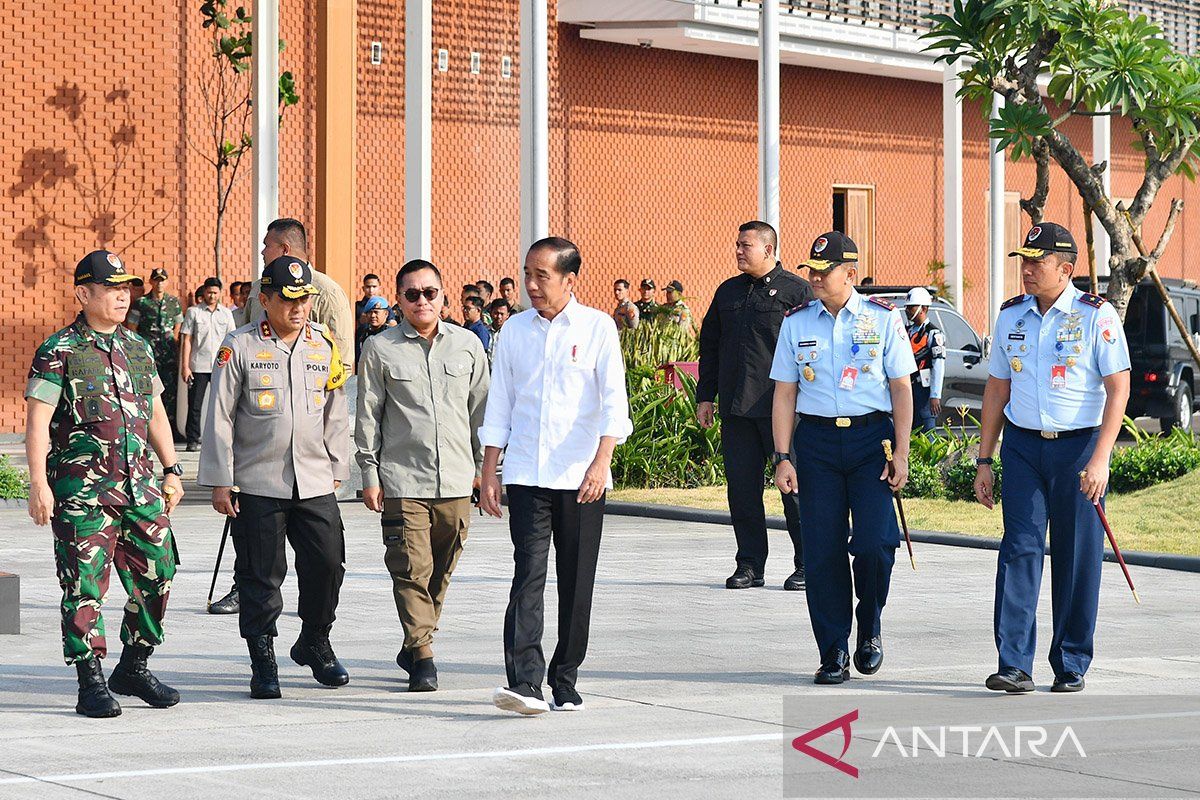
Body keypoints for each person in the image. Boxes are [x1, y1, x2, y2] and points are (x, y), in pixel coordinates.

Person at [24, 250, 184, 717]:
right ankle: (89, 681)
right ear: (83, 294)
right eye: (111, 288)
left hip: (142, 489)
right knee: (85, 586)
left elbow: (154, 411)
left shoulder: (138, 347)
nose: (122, 295)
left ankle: (134, 666)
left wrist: (171, 469)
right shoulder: (60, 350)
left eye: (125, 287)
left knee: (159, 573)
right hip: (84, 494)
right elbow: (37, 424)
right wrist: (38, 483)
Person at [974, 222, 1131, 694]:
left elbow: (1118, 386)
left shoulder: (1095, 315)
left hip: (1079, 446)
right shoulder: (1011, 315)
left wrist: (1101, 457)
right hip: (1023, 446)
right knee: (1019, 548)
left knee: (1076, 554)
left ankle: (1070, 661)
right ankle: (1014, 663)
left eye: (1036, 261)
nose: (1027, 269)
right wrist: (985, 459)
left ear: (1065, 269)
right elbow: (997, 387)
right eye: (1023, 260)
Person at [479, 237, 632, 715]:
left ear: (570, 279)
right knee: (528, 574)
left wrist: (601, 462)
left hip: (581, 477)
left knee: (576, 580)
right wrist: (489, 468)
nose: (531, 285)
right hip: (526, 473)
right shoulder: (515, 332)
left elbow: (613, 404)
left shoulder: (597, 328)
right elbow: (499, 401)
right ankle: (525, 683)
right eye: (527, 273)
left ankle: (565, 679)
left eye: (542, 275)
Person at [199, 255, 352, 699]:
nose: (298, 307)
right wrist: (221, 480)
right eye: (288, 299)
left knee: (327, 565)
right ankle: (263, 658)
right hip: (258, 481)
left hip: (315, 478)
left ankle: (314, 640)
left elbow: (335, 410)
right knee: (261, 576)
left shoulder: (323, 345)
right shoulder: (240, 345)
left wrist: (338, 464)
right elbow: (220, 417)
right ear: (265, 300)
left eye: (304, 298)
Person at [770, 231, 916, 685]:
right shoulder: (797, 322)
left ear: (850, 273)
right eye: (811, 269)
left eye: (824, 270)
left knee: (875, 545)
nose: (814, 277)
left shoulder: (883, 319)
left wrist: (903, 453)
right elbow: (785, 394)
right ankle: (833, 648)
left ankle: (869, 626)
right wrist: (782, 456)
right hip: (815, 445)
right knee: (823, 551)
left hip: (871, 441)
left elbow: (901, 388)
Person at [356, 259, 490, 692]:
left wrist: (484, 469)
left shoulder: (468, 345)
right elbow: (368, 415)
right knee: (410, 568)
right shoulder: (380, 349)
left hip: (456, 478)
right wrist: (370, 473)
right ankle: (424, 656)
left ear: (442, 295)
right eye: (411, 294)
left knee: (441, 570)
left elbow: (481, 413)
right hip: (402, 479)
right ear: (398, 299)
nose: (421, 301)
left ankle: (413, 641)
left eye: (429, 292)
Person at [697, 221, 811, 591]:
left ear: (769, 248)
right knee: (742, 492)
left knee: (794, 490)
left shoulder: (797, 292)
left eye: (746, 245)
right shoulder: (728, 292)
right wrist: (705, 396)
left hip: (783, 411)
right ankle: (750, 564)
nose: (738, 251)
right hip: (736, 409)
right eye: (737, 245)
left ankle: (808, 563)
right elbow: (710, 347)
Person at [240, 218, 354, 374]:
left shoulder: (328, 292)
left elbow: (342, 360)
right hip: (261, 388)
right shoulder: (258, 288)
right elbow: (244, 338)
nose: (262, 252)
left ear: (285, 249)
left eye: (267, 246)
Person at [180, 277, 236, 451]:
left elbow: (232, 340)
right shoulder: (193, 312)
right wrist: (185, 365)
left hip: (221, 365)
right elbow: (187, 339)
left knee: (223, 404)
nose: (212, 295)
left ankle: (222, 439)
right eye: (209, 292)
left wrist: (232, 365)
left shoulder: (226, 314)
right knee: (195, 405)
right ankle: (193, 439)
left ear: (220, 293)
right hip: (199, 365)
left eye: (215, 292)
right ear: (204, 292)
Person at [130, 268, 184, 436]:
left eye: (162, 280)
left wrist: (173, 342)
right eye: (156, 280)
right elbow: (132, 327)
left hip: (168, 354)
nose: (160, 283)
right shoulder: (141, 303)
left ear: (167, 282)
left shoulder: (173, 302)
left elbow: (178, 325)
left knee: (170, 390)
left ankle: (170, 429)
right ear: (151, 282)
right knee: (147, 391)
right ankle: (146, 428)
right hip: (148, 354)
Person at [903, 287, 946, 432]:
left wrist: (935, 395)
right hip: (908, 389)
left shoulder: (933, 334)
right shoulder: (906, 331)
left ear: (923, 308)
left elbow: (938, 365)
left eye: (911, 307)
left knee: (927, 432)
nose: (907, 310)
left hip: (925, 391)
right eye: (907, 307)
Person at [355, 295, 393, 368]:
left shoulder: (391, 334)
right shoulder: (362, 333)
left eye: (376, 312)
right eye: (369, 312)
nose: (372, 315)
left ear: (386, 314)